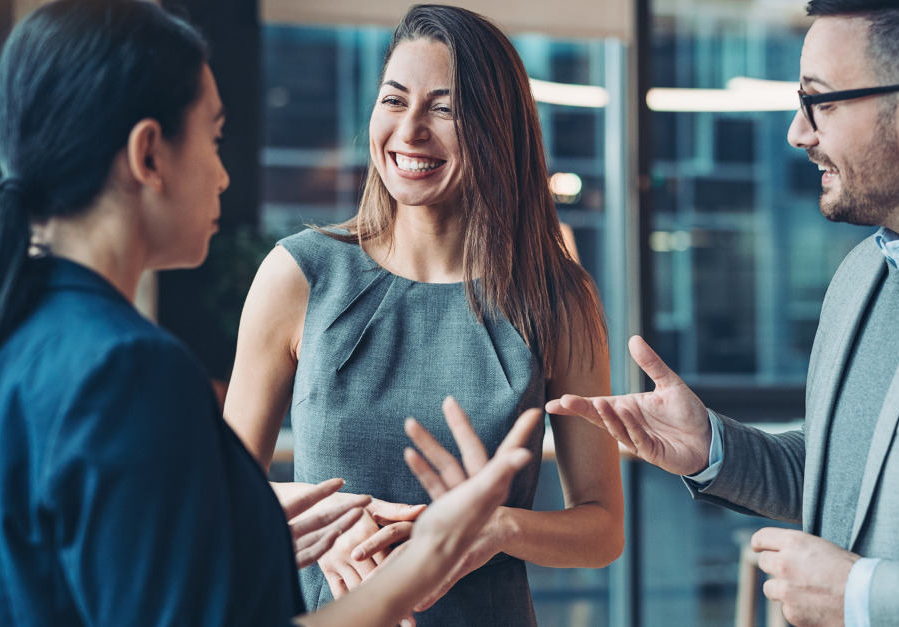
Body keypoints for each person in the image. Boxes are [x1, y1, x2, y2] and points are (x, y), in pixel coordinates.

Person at [0, 1, 540, 625]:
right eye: (214, 138)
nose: (221, 174)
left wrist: (248, 535)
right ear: (149, 154)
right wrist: (425, 561)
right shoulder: (129, 369)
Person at [548, 0, 899, 625]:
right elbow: (851, 483)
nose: (798, 131)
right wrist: (714, 448)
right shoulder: (863, 272)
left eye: (822, 102)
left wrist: (863, 596)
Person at [224, 5, 625, 625]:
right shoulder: (299, 275)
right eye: (393, 100)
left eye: (443, 108)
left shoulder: (558, 298)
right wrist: (330, 520)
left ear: (497, 128)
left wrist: (495, 528)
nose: (409, 131)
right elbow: (219, 496)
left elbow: (602, 529)